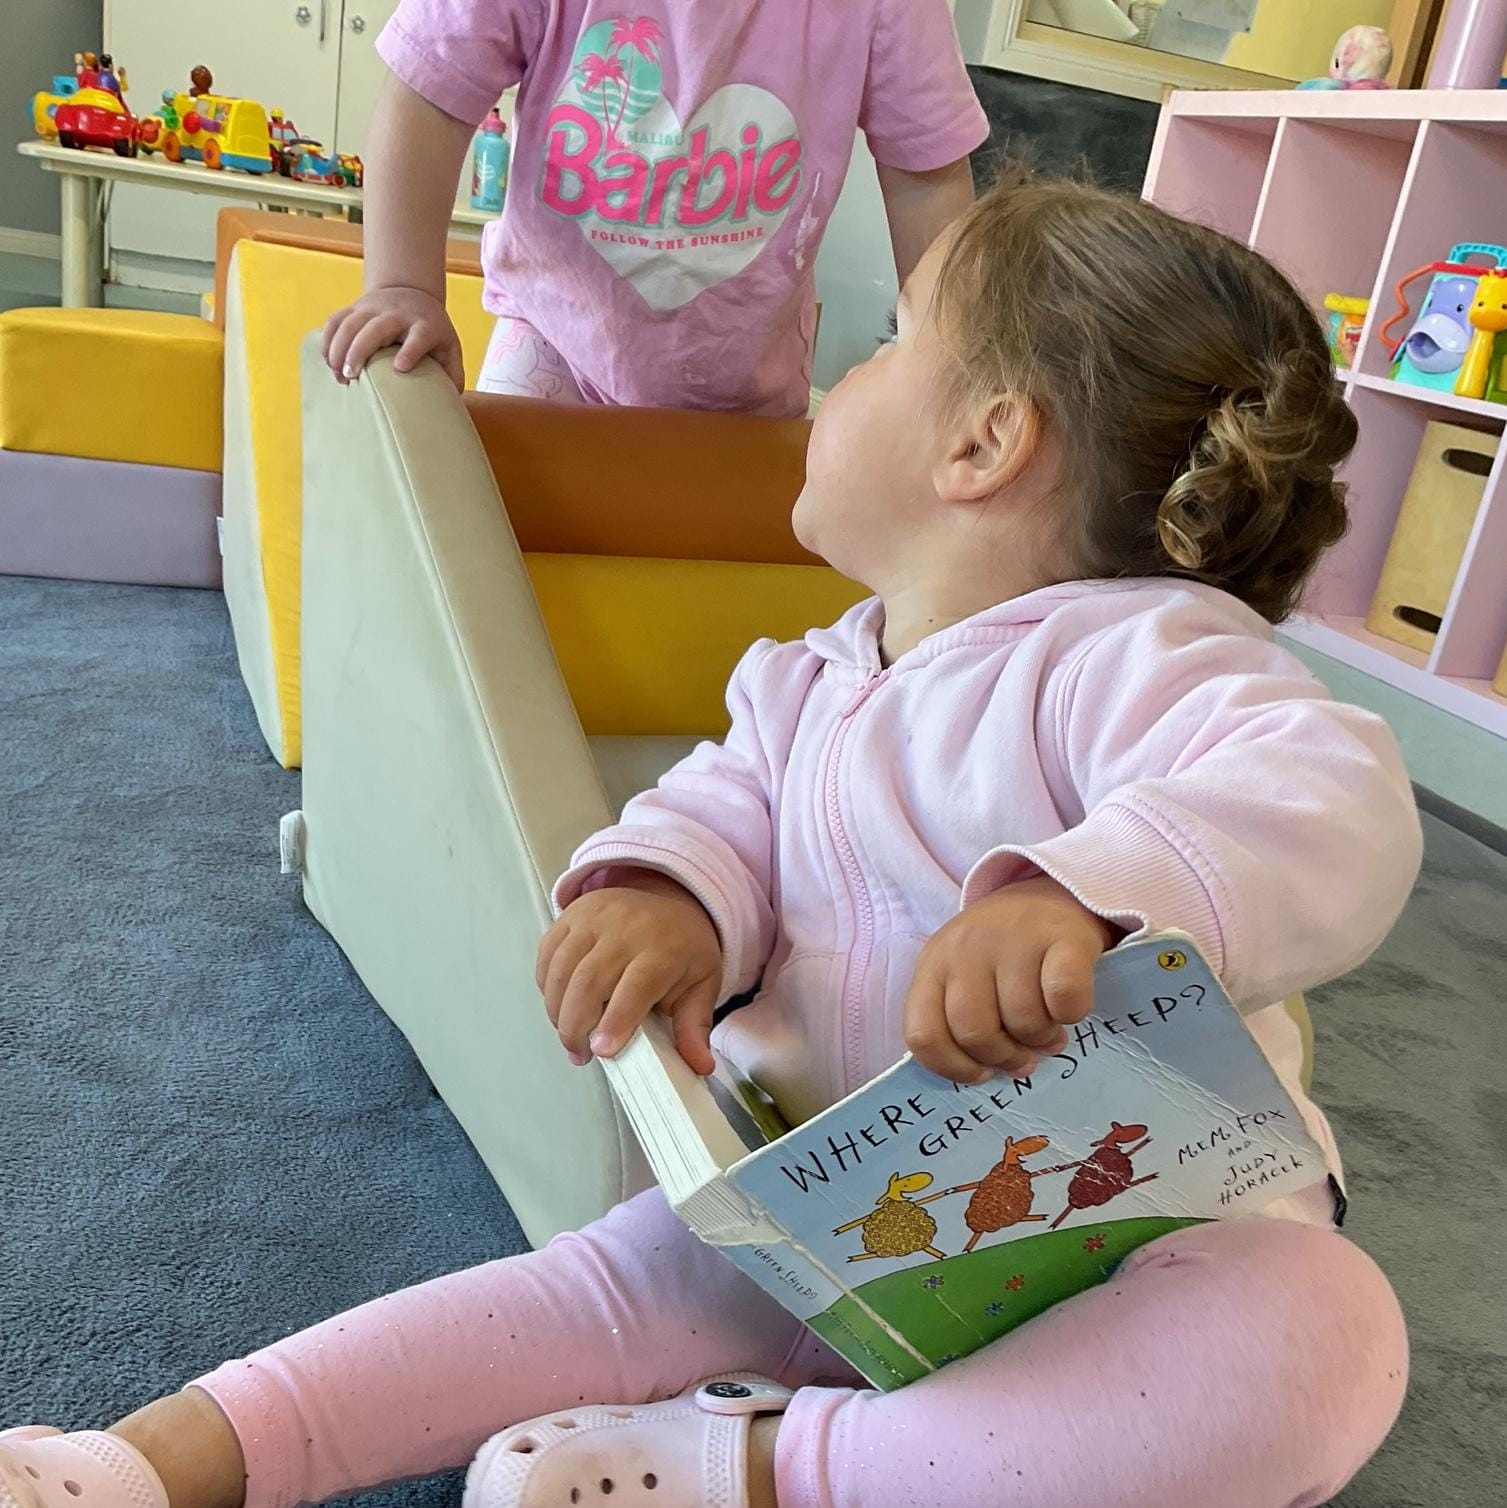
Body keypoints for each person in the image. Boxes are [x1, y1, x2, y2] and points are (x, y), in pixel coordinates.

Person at [1, 177, 1422, 1508]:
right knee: (572, 1295)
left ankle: (764, 1468)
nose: (844, 369)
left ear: (981, 443)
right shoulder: (798, 677)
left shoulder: (1140, 649)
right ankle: (146, 1464)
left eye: (883, 341)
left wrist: (1080, 896)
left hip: (1127, 1239)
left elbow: (1324, 793)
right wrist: (665, 893)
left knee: (1324, 1335)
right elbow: (716, 813)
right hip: (814, 1220)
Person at [320, 0, 988, 413]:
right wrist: (405, 287)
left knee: (706, 602)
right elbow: (429, 96)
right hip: (554, 341)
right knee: (490, 554)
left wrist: (950, 355)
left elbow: (926, 179)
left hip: (747, 385)